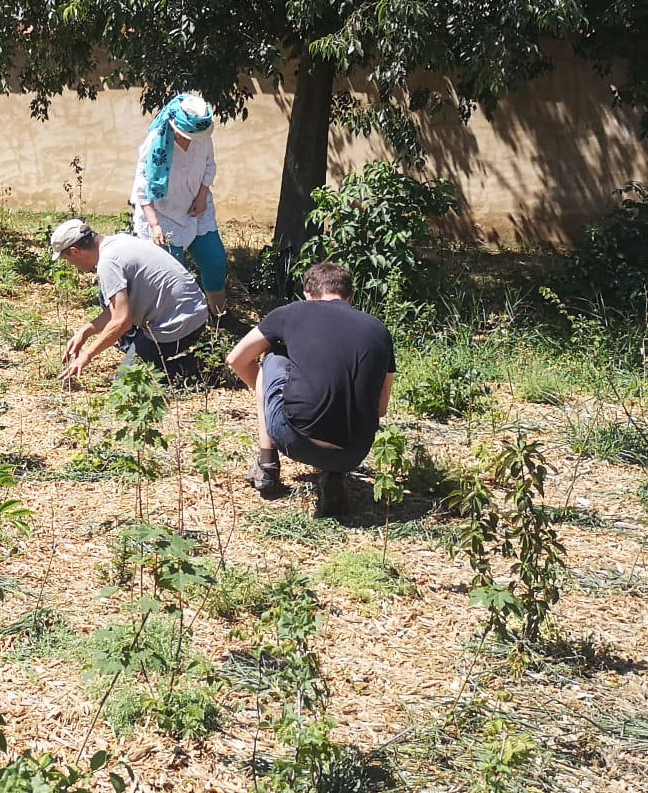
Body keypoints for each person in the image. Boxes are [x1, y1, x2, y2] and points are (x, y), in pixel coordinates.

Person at [225, 261, 394, 519]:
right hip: (355, 452)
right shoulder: (379, 330)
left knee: (272, 354)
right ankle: (333, 475)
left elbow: (236, 359)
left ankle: (267, 464)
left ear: (307, 294)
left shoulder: (291, 312)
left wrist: (266, 398)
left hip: (295, 438)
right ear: (351, 297)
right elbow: (381, 409)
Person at [50, 217, 209, 383]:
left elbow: (121, 321)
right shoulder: (119, 240)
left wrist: (87, 355)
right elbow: (117, 312)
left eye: (67, 259)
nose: (70, 264)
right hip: (197, 314)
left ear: (75, 251)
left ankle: (200, 365)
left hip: (177, 327)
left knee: (128, 380)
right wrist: (85, 332)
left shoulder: (108, 264)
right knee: (107, 297)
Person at [129, 92, 230, 320]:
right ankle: (175, 327)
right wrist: (154, 225)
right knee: (174, 275)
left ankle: (219, 316)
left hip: (197, 209)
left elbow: (209, 166)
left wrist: (202, 196)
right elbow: (142, 188)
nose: (192, 138)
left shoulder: (203, 137)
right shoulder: (154, 143)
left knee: (215, 262)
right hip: (161, 217)